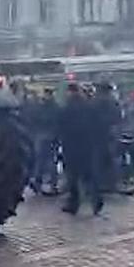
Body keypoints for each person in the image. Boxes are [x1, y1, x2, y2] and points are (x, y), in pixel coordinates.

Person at [58, 82, 104, 216]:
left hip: (72, 146)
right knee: (89, 175)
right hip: (87, 146)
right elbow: (97, 125)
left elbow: (61, 126)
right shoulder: (90, 106)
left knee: (73, 177)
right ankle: (97, 200)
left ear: (69, 92)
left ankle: (73, 204)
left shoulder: (67, 108)